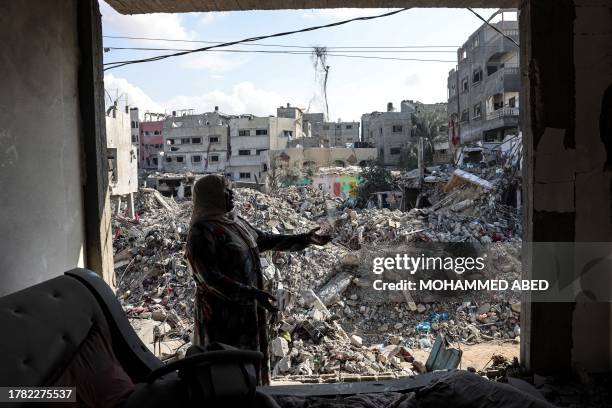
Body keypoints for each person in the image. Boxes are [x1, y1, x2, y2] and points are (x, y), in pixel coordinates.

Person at [185, 174, 332, 385]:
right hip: (223, 318)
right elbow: (210, 280)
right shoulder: (201, 233)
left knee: (248, 368)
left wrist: (306, 239)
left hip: (248, 312)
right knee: (227, 372)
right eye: (226, 191)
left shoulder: (235, 223)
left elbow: (265, 240)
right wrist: (253, 294)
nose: (232, 194)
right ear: (211, 196)